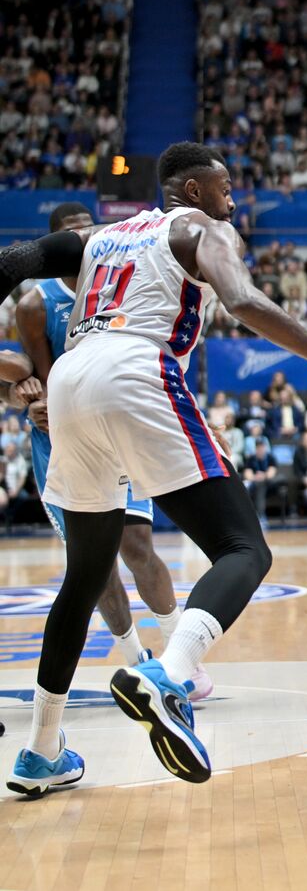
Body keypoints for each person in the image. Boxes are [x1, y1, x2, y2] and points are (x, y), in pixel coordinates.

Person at [3, 142, 307, 797]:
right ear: (191, 190)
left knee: (83, 578)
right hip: (136, 368)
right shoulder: (201, 227)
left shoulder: (99, 235)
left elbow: (14, 262)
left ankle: (40, 750)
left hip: (70, 383)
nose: (232, 198)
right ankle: (169, 675)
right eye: (224, 187)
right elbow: (243, 300)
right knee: (243, 547)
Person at [6, 203, 209, 695]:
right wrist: (26, 398)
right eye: (74, 239)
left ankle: (180, 655)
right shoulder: (36, 304)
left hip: (119, 426)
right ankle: (133, 657)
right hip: (61, 439)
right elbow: (34, 377)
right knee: (93, 566)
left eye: (89, 234)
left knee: (139, 546)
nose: (87, 244)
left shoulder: (127, 279)